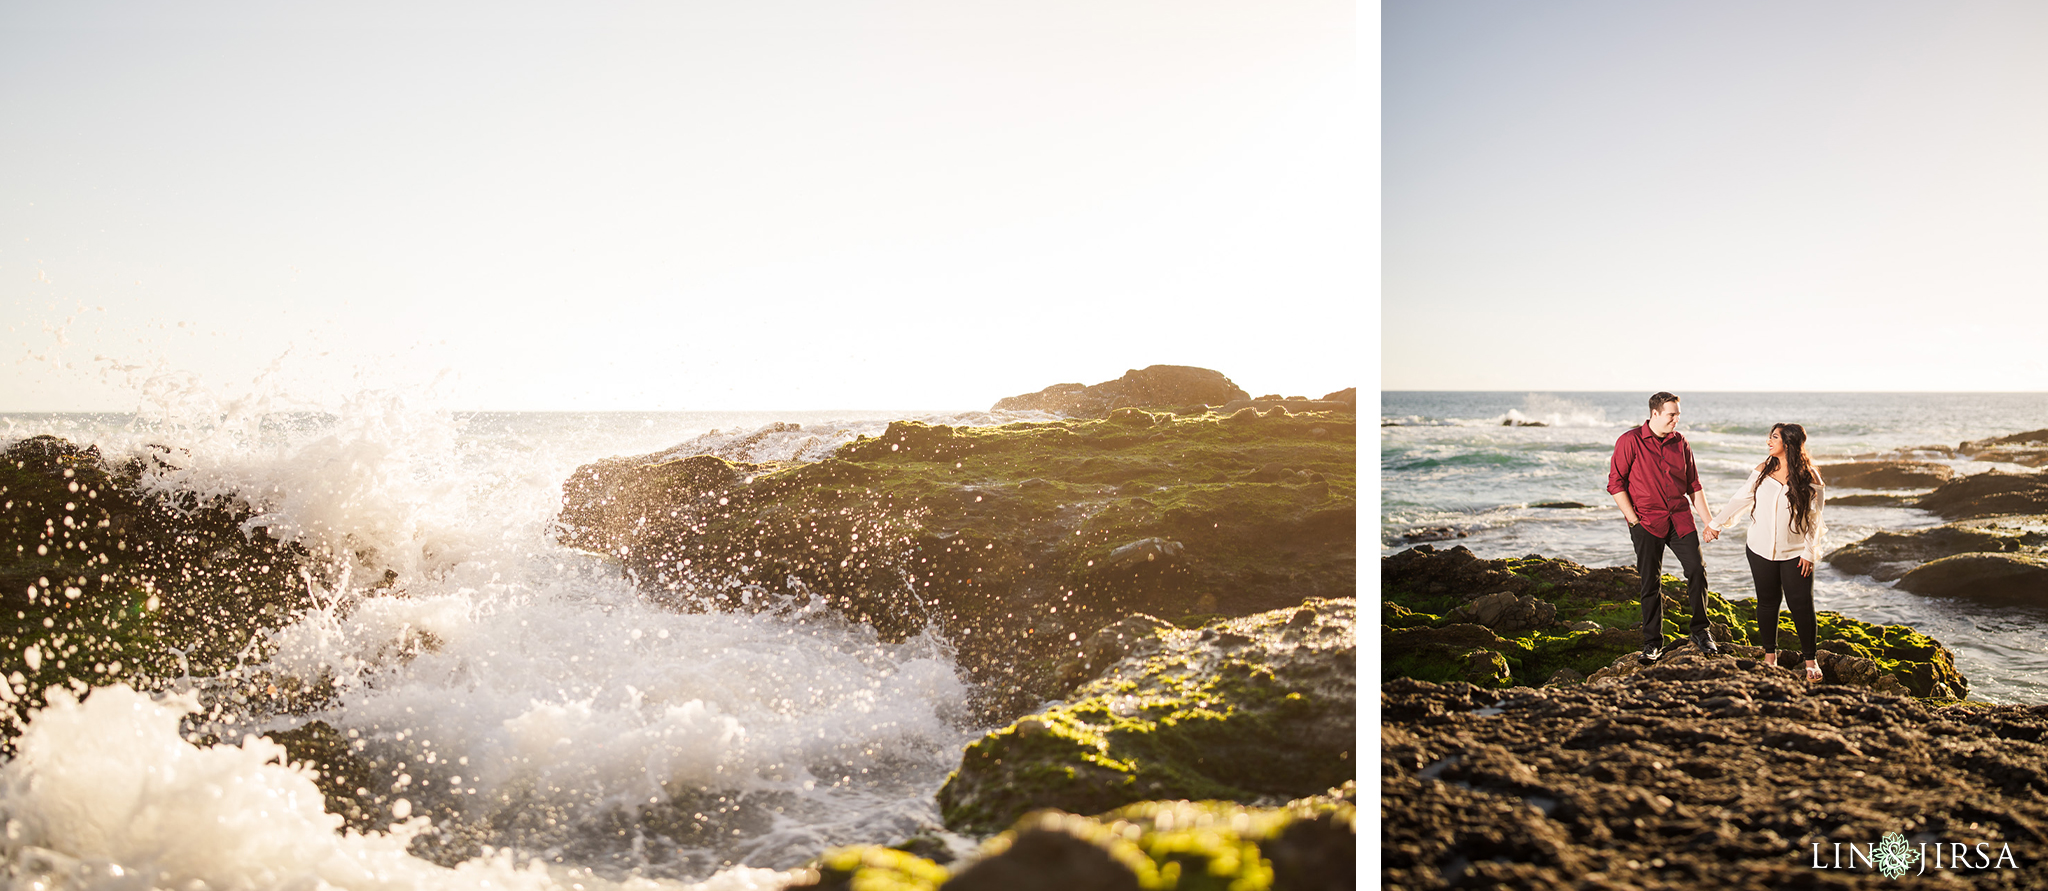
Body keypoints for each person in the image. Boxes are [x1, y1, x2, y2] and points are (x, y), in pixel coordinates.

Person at [1706, 423, 1827, 683]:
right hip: (1759, 549)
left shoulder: (1810, 476)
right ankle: (1769, 657)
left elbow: (1815, 518)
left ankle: (1810, 660)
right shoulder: (1763, 470)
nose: (1768, 442)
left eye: (1774, 437)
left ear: (1789, 443)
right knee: (1767, 604)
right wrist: (1716, 525)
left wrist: (1809, 551)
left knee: (1801, 606)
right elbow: (1740, 500)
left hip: (1796, 553)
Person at [1608, 392, 1720, 663]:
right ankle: (1652, 642)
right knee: (1650, 582)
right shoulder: (1630, 441)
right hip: (1646, 522)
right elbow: (1615, 483)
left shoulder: (1680, 442)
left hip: (1680, 520)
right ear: (1655, 414)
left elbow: (1694, 484)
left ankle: (1700, 631)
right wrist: (1634, 521)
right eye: (1672, 414)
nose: (1676, 419)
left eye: (1678, 414)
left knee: (1696, 570)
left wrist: (1709, 521)